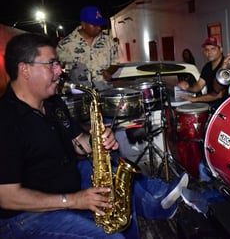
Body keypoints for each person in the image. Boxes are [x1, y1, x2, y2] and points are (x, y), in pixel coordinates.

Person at [0, 33, 189, 239]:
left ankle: (152, 210)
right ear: (24, 69)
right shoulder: (6, 120)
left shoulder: (53, 103)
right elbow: (8, 197)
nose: (59, 71)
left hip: (65, 183)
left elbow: (77, 142)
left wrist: (97, 141)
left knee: (116, 184)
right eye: (51, 64)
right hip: (25, 216)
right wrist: (74, 200)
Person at [57, 6, 119, 91]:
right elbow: (55, 69)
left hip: (104, 92)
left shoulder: (108, 40)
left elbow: (115, 62)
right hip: (78, 95)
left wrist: (109, 71)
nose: (99, 28)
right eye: (95, 25)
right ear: (83, 24)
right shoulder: (65, 45)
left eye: (100, 25)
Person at [177, 37, 227, 108]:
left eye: (213, 49)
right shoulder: (207, 67)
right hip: (211, 105)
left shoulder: (227, 65)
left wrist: (195, 99)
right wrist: (187, 87)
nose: (209, 52)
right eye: (206, 49)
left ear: (221, 50)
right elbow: (199, 86)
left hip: (223, 106)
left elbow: (219, 95)